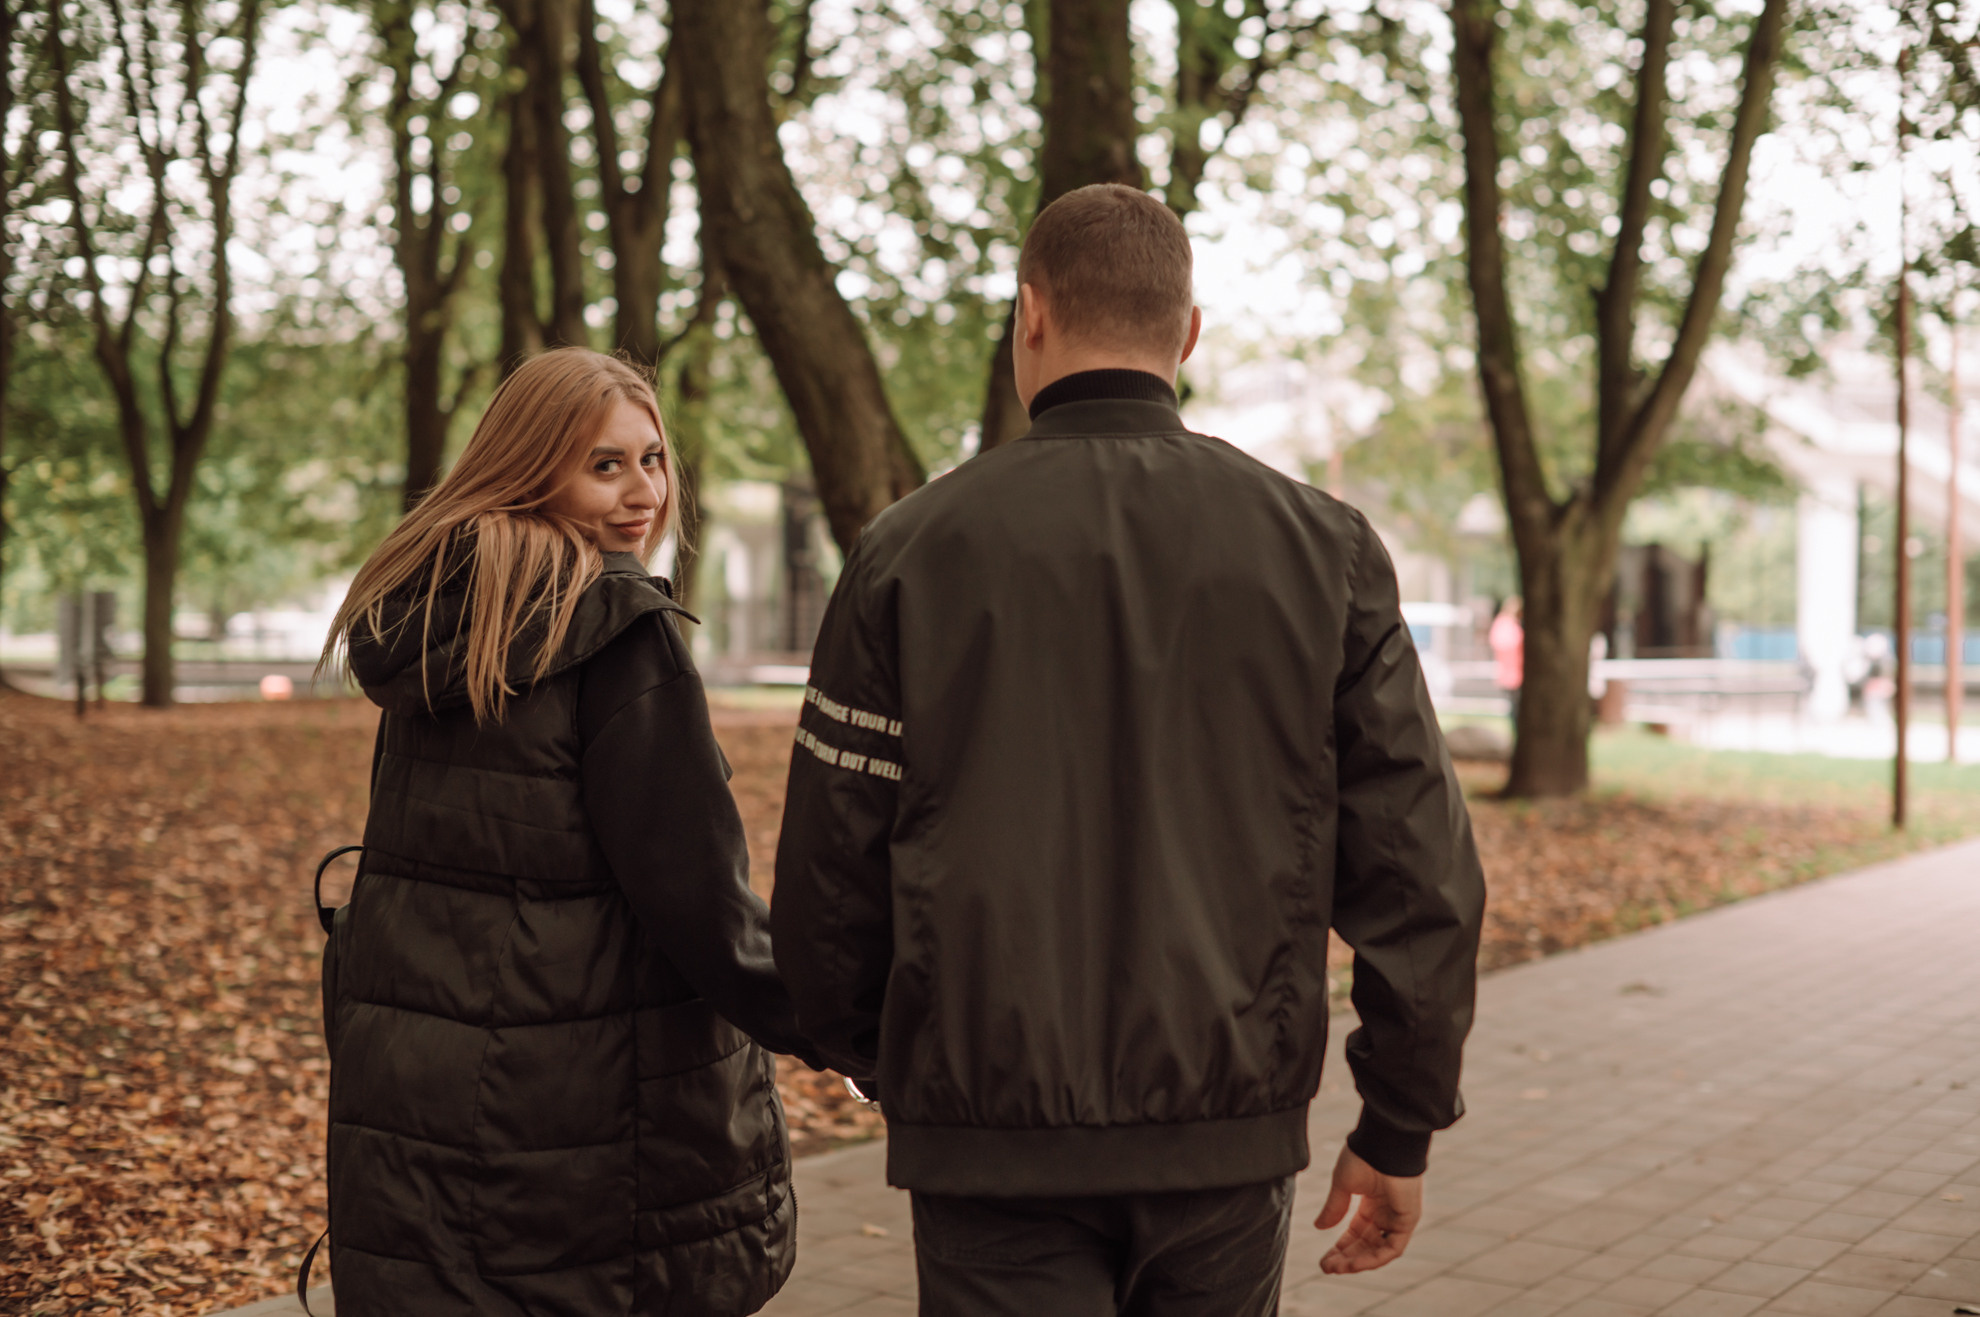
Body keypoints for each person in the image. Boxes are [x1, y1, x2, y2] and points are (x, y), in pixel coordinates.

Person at [772, 184, 1486, 1315]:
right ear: (1186, 334)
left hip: (985, 1136)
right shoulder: (1325, 551)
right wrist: (1398, 1120)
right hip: (1226, 1139)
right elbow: (1422, 874)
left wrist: (880, 1053)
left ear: (1032, 313)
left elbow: (827, 868)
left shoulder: (911, 551)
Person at [318, 348, 816, 1316]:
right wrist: (835, 1024)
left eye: (653, 458)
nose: (644, 494)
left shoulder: (441, 623)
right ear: (529, 467)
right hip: (580, 1125)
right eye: (604, 465)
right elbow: (701, 901)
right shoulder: (618, 635)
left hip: (417, 1106)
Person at [1490, 595, 1524, 725]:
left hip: (1515, 673)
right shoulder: (1506, 624)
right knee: (1515, 708)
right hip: (1512, 673)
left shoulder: (1510, 624)